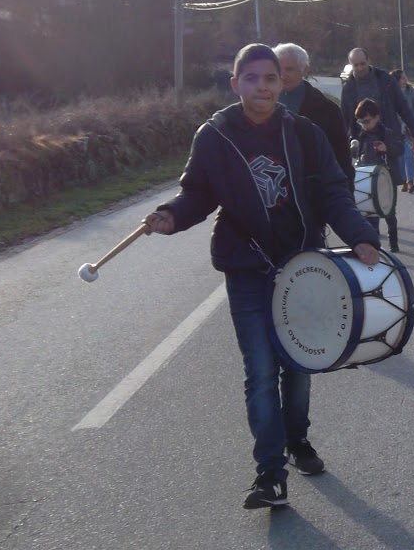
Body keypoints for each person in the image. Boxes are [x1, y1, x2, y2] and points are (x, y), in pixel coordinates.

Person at [145, 43, 382, 511]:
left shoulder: (305, 132)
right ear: (236, 84)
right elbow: (197, 194)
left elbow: (334, 192)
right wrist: (171, 215)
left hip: (301, 265)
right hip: (246, 267)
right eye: (251, 78)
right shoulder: (215, 136)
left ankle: (298, 439)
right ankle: (270, 473)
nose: (262, 87)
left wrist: (359, 235)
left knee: (298, 365)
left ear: (282, 81)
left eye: (270, 78)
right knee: (259, 370)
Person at [273, 42, 354, 181]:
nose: (283, 75)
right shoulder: (260, 104)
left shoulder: (328, 110)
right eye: (278, 70)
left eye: (289, 69)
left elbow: (342, 160)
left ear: (305, 70)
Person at [339, 47, 414, 154]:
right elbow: (344, 118)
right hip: (363, 144)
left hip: (390, 139)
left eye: (362, 64)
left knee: (395, 164)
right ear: (351, 65)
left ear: (368, 61)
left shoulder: (385, 79)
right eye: (356, 65)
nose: (360, 68)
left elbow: (402, 106)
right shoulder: (348, 88)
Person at [350, 98, 402, 252]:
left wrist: (387, 148)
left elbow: (400, 149)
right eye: (361, 122)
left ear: (376, 117)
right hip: (366, 178)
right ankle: (374, 242)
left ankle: (393, 241)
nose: (364, 125)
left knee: (389, 211)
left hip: (386, 178)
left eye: (367, 121)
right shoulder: (360, 134)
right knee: (369, 212)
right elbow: (355, 154)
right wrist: (352, 149)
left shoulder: (386, 133)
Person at [394, 70, 414, 192]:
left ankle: (410, 181)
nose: (405, 79)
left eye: (405, 77)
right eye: (402, 78)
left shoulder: (410, 90)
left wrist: (411, 119)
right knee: (399, 156)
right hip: (396, 128)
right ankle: (403, 180)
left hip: (409, 128)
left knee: (409, 155)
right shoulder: (392, 92)